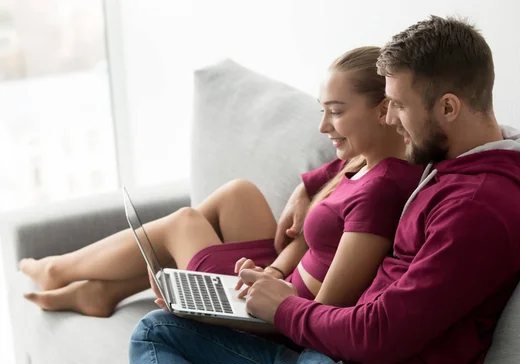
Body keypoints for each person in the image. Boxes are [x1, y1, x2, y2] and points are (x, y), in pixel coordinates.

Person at [101, 15, 520, 364]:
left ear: (448, 107)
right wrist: (309, 187)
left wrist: (283, 308)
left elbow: (381, 333)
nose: (390, 120)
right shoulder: (455, 154)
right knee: (156, 331)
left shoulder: (479, 207)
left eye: (397, 107)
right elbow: (361, 168)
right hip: (331, 357)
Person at [19, 46, 423, 317]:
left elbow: (323, 312)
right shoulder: (357, 161)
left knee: (184, 222)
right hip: (276, 279)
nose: (322, 127)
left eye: (335, 112)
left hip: (279, 313)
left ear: (385, 109)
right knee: (238, 194)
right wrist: (278, 266)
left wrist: (270, 288)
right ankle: (104, 292)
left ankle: (59, 269)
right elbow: (319, 218)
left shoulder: (383, 187)